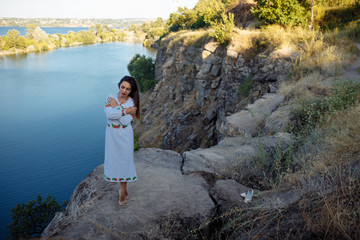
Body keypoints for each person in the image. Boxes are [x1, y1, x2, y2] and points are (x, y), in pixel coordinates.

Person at [104, 76, 140, 206]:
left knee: (124, 162)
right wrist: (124, 110)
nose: (124, 91)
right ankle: (124, 189)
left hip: (125, 135)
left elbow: (125, 122)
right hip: (112, 135)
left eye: (128, 89)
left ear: (131, 90)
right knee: (115, 160)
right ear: (119, 85)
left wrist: (118, 109)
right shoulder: (110, 97)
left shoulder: (132, 103)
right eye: (122, 87)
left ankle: (122, 190)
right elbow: (109, 115)